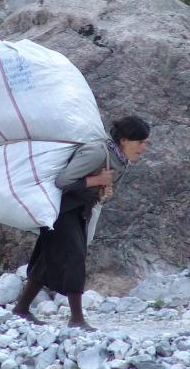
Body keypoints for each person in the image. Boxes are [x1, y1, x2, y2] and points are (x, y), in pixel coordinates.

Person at [13, 114, 150, 329]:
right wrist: (96, 180)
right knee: (75, 257)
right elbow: (63, 181)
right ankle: (76, 319)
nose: (144, 148)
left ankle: (21, 309)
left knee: (47, 259)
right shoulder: (97, 153)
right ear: (124, 140)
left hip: (78, 211)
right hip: (60, 209)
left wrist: (102, 191)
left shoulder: (120, 161)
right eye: (140, 142)